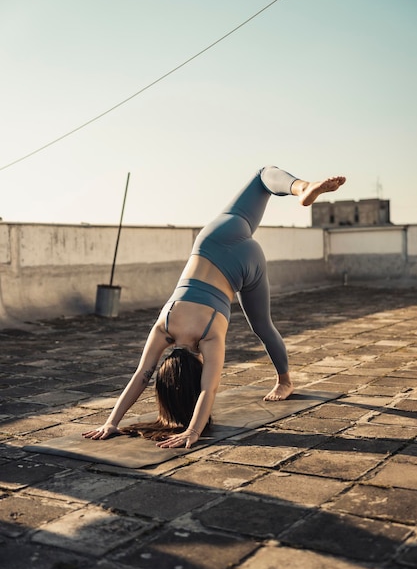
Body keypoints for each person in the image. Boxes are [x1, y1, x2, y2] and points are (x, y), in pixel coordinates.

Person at [83, 166, 345, 449]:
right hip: (214, 239)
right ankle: (301, 187)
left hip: (246, 264)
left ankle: (285, 381)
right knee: (262, 177)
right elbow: (142, 375)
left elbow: (209, 388)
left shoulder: (209, 337)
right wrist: (111, 420)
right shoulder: (164, 327)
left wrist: (193, 431)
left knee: (263, 327)